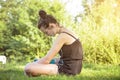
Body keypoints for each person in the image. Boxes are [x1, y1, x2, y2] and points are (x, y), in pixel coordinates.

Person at [24, 10, 83, 76]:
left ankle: (36, 68)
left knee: (28, 67)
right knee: (45, 61)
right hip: (75, 69)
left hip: (68, 70)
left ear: (51, 26)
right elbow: (70, 57)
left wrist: (34, 64)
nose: (46, 35)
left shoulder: (62, 37)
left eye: (46, 32)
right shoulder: (68, 32)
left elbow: (46, 60)